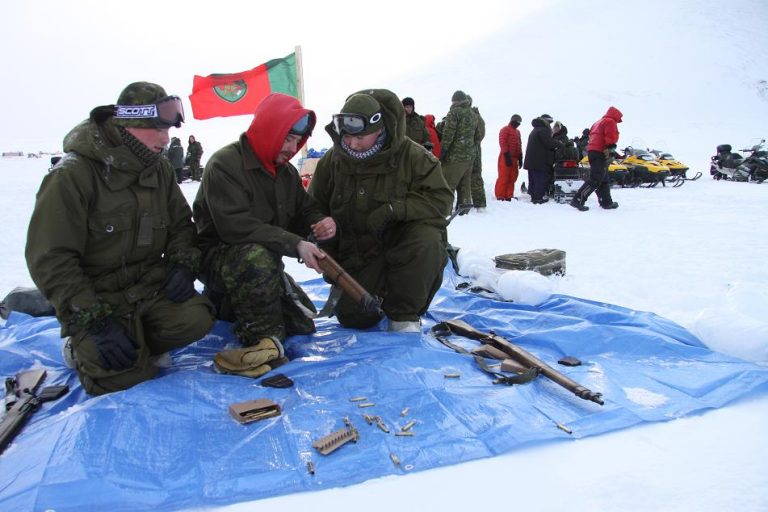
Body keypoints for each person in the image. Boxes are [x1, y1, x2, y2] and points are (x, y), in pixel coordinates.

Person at [25, 81, 215, 395]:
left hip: (147, 289)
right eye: (158, 129)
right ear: (131, 124)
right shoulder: (73, 175)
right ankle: (82, 348)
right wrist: (93, 321)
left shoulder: (160, 170)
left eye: (168, 130)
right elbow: (51, 259)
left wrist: (183, 264)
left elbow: (181, 225)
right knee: (122, 380)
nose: (165, 139)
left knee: (197, 318)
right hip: (98, 300)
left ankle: (136, 342)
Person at [192, 93, 334, 373]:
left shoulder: (286, 172)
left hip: (263, 261)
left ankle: (227, 306)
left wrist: (319, 223)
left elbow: (304, 209)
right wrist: (296, 244)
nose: (292, 148)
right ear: (270, 128)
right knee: (255, 257)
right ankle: (259, 345)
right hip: (220, 259)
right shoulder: (224, 164)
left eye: (298, 141)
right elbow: (236, 227)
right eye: (287, 138)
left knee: (301, 324)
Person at [308, 89, 452, 332]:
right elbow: (311, 205)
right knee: (354, 318)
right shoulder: (332, 161)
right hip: (356, 256)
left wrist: (395, 210)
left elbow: (441, 200)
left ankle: (404, 315)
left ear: (380, 128)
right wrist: (320, 224)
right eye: (347, 136)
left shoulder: (414, 157)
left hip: (401, 248)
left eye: (361, 138)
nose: (352, 144)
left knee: (427, 240)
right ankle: (377, 292)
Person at [570, 107, 623, 211]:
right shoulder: (610, 121)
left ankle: (606, 202)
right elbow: (610, 136)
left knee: (603, 178)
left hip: (592, 151)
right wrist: (611, 148)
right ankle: (578, 199)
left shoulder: (597, 122)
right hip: (600, 152)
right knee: (595, 178)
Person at [440, 90, 478, 213]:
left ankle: (445, 211)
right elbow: (477, 135)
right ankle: (465, 208)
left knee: (448, 184)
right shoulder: (473, 114)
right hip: (469, 156)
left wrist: (444, 151)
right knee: (465, 184)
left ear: (455, 101)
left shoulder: (454, 113)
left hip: (455, 157)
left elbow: (448, 134)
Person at [523, 114, 563, 204]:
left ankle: (534, 196)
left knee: (533, 180)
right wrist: (559, 144)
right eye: (549, 122)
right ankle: (538, 198)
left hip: (532, 161)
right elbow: (549, 143)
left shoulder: (536, 129)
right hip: (539, 161)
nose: (550, 125)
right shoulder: (543, 130)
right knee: (540, 179)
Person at [495, 114, 523, 201]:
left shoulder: (517, 132)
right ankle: (500, 195)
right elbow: (502, 142)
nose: (518, 124)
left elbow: (519, 145)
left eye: (519, 122)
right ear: (512, 120)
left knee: (512, 177)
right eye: (517, 122)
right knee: (504, 176)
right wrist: (506, 155)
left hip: (515, 158)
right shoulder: (505, 129)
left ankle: (509, 195)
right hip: (505, 156)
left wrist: (520, 157)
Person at [467, 95, 487, 212]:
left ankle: (479, 203)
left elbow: (480, 135)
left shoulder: (475, 116)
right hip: (470, 150)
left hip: (473, 150)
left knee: (475, 175)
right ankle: (468, 202)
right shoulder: (474, 115)